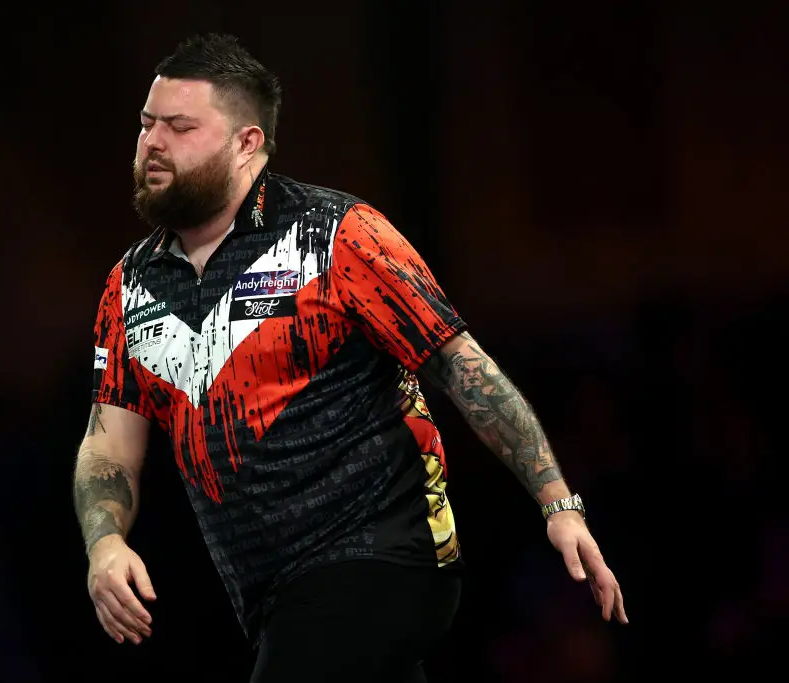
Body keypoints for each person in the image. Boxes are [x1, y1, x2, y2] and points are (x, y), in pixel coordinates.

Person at [72, 32, 628, 683]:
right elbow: (108, 445)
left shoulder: (336, 234)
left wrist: (559, 505)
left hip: (384, 552)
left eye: (180, 126)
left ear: (247, 143)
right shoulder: (130, 286)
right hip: (269, 593)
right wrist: (104, 543)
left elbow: (464, 368)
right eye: (147, 125)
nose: (153, 143)